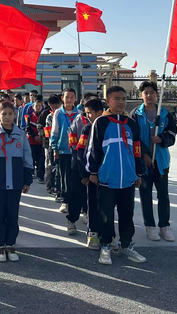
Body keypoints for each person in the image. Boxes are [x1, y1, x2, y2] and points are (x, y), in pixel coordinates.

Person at [86, 86, 146, 265]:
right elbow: (93, 149)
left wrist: (138, 172)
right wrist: (94, 172)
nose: (121, 102)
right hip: (107, 178)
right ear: (108, 101)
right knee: (106, 214)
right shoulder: (101, 123)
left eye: (124, 99)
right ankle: (105, 246)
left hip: (127, 178)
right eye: (117, 99)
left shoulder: (132, 124)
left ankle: (126, 245)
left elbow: (137, 150)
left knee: (127, 214)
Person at [0, 101, 33, 262]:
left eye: (10, 114)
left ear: (15, 115)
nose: (7, 117)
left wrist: (27, 179)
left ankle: (10, 244)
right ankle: (0, 245)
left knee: (12, 214)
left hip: (16, 181)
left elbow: (27, 158)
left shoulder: (21, 134)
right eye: (3, 114)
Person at [130, 81, 177, 242]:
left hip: (161, 161)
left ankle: (164, 225)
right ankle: (149, 225)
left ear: (157, 95)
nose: (149, 96)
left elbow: (172, 133)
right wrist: (144, 155)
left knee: (163, 194)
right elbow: (133, 137)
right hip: (144, 163)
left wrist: (162, 138)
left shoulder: (163, 113)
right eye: (146, 93)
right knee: (145, 194)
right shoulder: (136, 114)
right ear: (141, 95)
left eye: (152, 92)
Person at [76, 97, 104, 250]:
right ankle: (92, 233)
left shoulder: (109, 127)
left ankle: (107, 234)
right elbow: (80, 153)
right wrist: (85, 174)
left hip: (107, 175)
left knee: (106, 205)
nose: (87, 117)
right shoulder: (87, 129)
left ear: (99, 112)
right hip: (92, 175)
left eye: (89, 113)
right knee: (92, 203)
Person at [50, 88, 80, 213]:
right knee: (64, 177)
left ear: (75, 98)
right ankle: (65, 201)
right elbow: (55, 131)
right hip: (63, 150)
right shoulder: (58, 113)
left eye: (72, 97)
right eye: (67, 97)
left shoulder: (79, 113)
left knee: (76, 178)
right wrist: (55, 147)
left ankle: (78, 204)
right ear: (62, 98)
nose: (69, 99)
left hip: (77, 150)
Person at [40, 95, 61, 194]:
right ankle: (50, 185)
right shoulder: (48, 116)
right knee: (49, 165)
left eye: (55, 106)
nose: (53, 109)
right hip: (49, 144)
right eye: (51, 107)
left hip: (62, 145)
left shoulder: (63, 115)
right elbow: (47, 133)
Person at [26, 96, 45, 183]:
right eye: (36, 106)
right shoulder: (30, 117)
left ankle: (40, 175)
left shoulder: (44, 117)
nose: (38, 107)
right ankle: (32, 172)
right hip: (32, 141)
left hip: (41, 142)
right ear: (33, 107)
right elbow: (28, 129)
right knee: (32, 157)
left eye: (39, 106)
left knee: (41, 158)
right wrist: (34, 136)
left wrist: (41, 137)